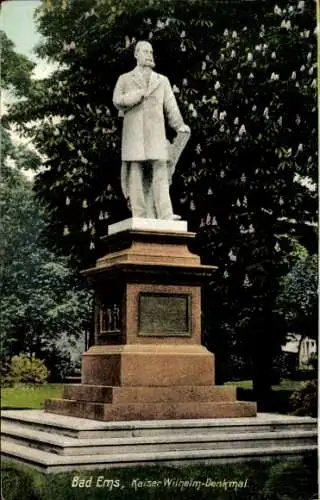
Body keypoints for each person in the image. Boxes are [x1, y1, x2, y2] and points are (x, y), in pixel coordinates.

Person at [113, 41, 190, 219]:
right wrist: (135, 96)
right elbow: (117, 99)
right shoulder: (125, 79)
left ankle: (165, 213)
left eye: (151, 51)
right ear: (136, 55)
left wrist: (179, 125)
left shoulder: (162, 80)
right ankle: (139, 214)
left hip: (156, 134)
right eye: (145, 51)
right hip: (134, 135)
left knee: (161, 170)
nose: (149, 55)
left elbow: (171, 105)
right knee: (135, 172)